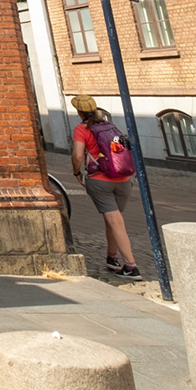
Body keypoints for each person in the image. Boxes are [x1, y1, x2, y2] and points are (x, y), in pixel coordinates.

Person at [69, 94, 139, 278]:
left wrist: (76, 172)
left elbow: (77, 155)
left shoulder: (81, 129)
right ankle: (112, 257)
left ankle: (131, 266)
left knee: (115, 221)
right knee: (114, 219)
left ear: (79, 112)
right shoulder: (109, 126)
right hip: (123, 179)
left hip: (100, 180)